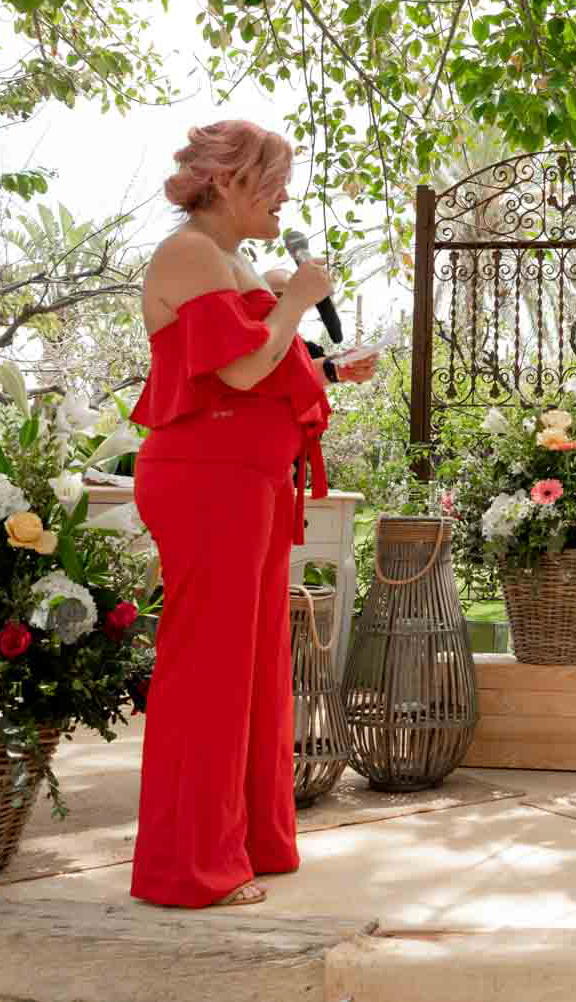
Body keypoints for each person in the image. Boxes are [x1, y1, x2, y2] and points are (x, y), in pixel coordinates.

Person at [129, 120, 378, 909]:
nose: (284, 195)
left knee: (256, 668)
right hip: (208, 476)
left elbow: (256, 364)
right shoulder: (189, 253)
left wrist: (327, 364)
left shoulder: (229, 260)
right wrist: (297, 300)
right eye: (273, 179)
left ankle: (247, 844)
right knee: (210, 671)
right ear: (229, 180)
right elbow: (238, 370)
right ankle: (188, 867)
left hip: (252, 477)